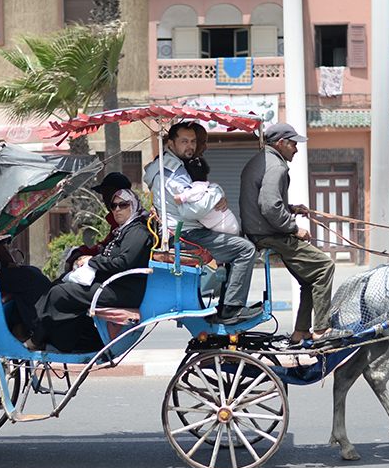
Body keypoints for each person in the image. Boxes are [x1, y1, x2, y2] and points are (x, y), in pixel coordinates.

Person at [143, 121, 259, 325]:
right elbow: (192, 209)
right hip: (185, 235)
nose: (190, 146)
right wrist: (216, 191)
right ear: (171, 143)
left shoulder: (174, 167)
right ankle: (231, 309)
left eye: (193, 141)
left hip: (186, 231)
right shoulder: (171, 173)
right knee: (246, 249)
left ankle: (226, 305)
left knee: (237, 243)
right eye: (184, 141)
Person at [239, 122, 335, 343]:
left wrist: (291, 209)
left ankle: (301, 331)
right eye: (293, 144)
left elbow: (265, 202)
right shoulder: (277, 166)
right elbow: (269, 206)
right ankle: (321, 329)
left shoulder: (261, 160)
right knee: (324, 266)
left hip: (260, 230)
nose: (296, 149)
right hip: (269, 234)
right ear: (281, 143)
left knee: (310, 278)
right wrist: (294, 228)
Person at [30, 189, 154, 352]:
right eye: (113, 205)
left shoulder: (138, 232)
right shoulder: (124, 230)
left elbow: (124, 262)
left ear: (133, 206)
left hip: (122, 290)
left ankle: (39, 339)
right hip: (112, 285)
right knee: (58, 285)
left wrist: (92, 261)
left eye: (122, 205)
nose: (117, 209)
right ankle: (56, 336)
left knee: (60, 293)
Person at [62, 171, 133, 271]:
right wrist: (82, 252)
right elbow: (105, 246)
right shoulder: (117, 223)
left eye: (122, 204)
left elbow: (120, 259)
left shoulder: (135, 226)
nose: (105, 200)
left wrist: (91, 259)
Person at [175, 157, 240, 235]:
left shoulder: (198, 187)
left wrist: (181, 197)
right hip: (229, 222)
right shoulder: (212, 187)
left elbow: (192, 194)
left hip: (222, 226)